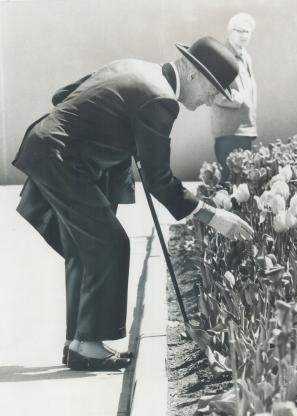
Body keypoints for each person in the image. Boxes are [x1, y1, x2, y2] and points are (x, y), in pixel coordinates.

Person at [12, 36, 254, 371]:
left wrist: (124, 134)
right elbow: (159, 181)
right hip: (61, 160)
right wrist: (212, 216)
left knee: (86, 250)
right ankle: (88, 346)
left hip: (52, 149)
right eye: (213, 90)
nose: (211, 101)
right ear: (195, 74)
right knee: (110, 244)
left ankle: (79, 343)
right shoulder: (160, 100)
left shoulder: (136, 68)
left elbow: (63, 96)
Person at [211, 13, 257, 183]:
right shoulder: (221, 55)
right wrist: (239, 100)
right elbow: (214, 92)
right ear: (230, 32)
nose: (245, 35)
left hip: (245, 129)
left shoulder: (246, 56)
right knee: (229, 183)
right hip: (229, 132)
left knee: (244, 184)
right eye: (240, 31)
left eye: (248, 32)